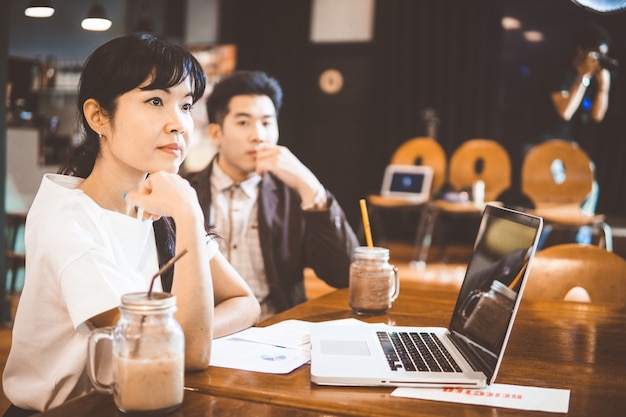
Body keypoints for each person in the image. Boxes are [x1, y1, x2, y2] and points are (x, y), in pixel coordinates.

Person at [2, 34, 260, 416]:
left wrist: (192, 332)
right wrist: (189, 215)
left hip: (137, 400)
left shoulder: (162, 204)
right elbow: (188, 351)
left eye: (186, 105)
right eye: (155, 101)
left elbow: (244, 303)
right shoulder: (69, 219)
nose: (179, 124)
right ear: (97, 117)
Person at [185, 70, 359, 320]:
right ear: (216, 134)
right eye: (243, 122)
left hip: (277, 331)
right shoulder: (185, 192)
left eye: (267, 122)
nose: (259, 136)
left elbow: (344, 274)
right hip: (207, 333)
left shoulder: (294, 194)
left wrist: (311, 188)